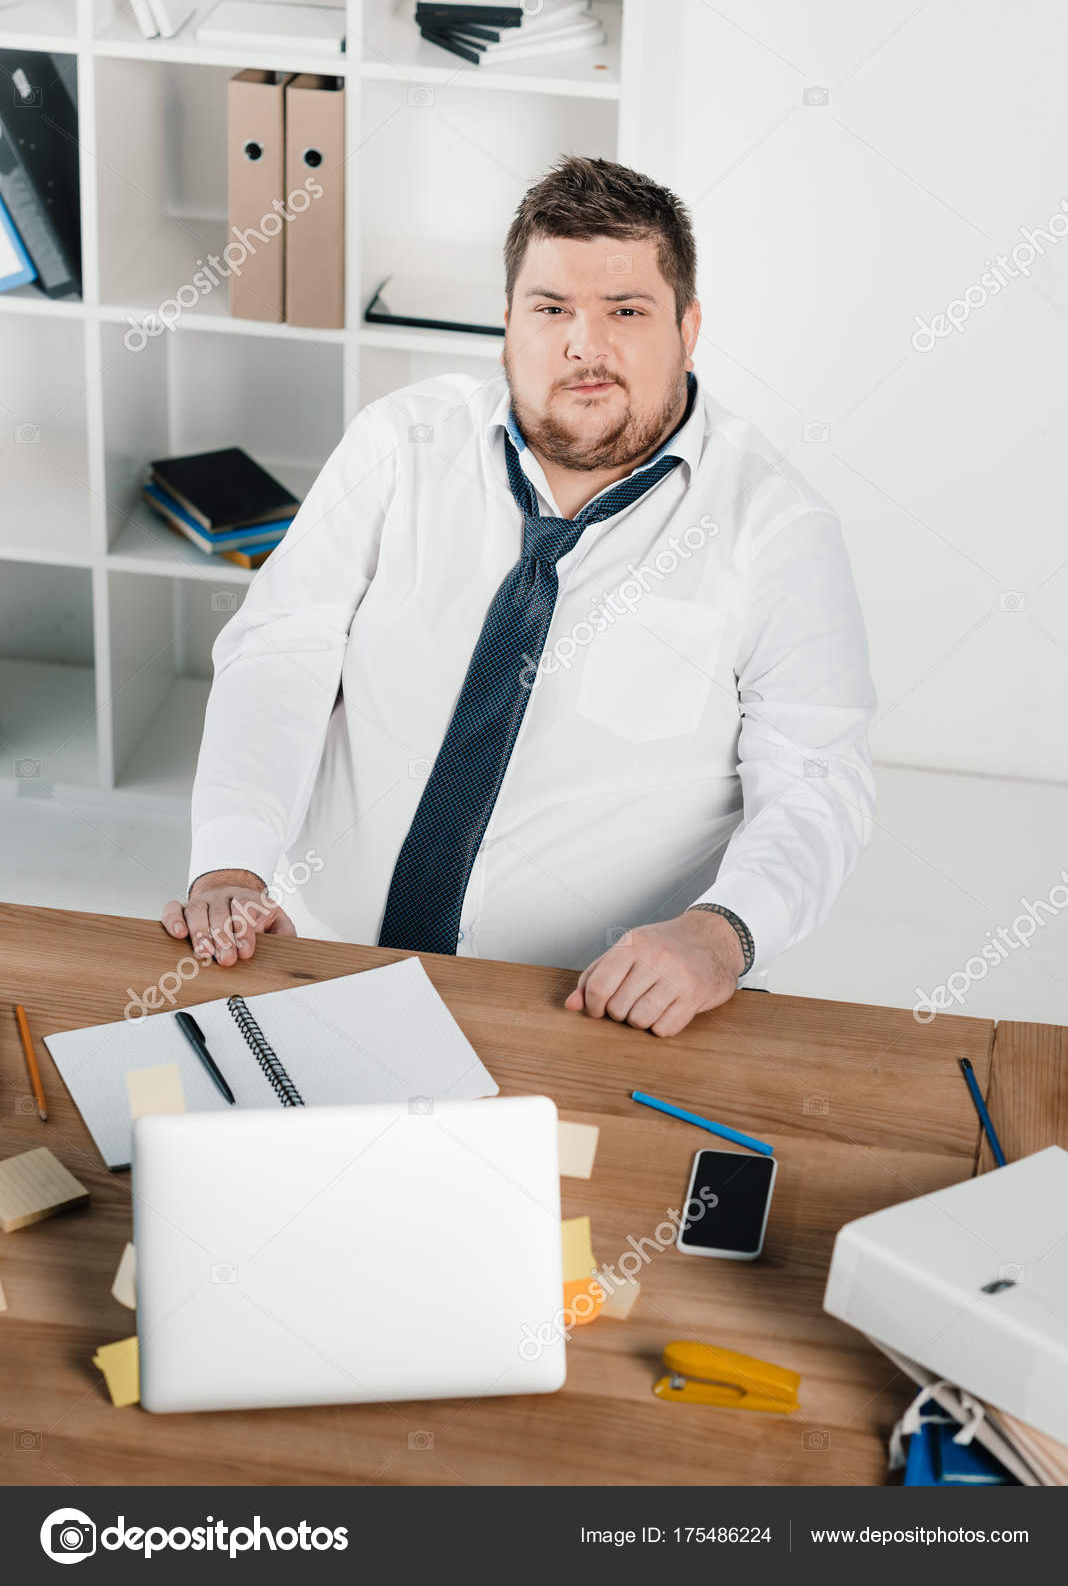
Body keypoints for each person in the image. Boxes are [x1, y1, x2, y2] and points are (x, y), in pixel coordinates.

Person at [162, 155, 877, 1036]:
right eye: (552, 310)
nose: (586, 345)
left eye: (626, 311)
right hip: (313, 955)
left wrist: (721, 937)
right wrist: (232, 863)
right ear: (507, 322)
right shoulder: (400, 443)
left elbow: (816, 779)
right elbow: (279, 654)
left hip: (582, 1007)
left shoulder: (777, 527)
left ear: (689, 329)